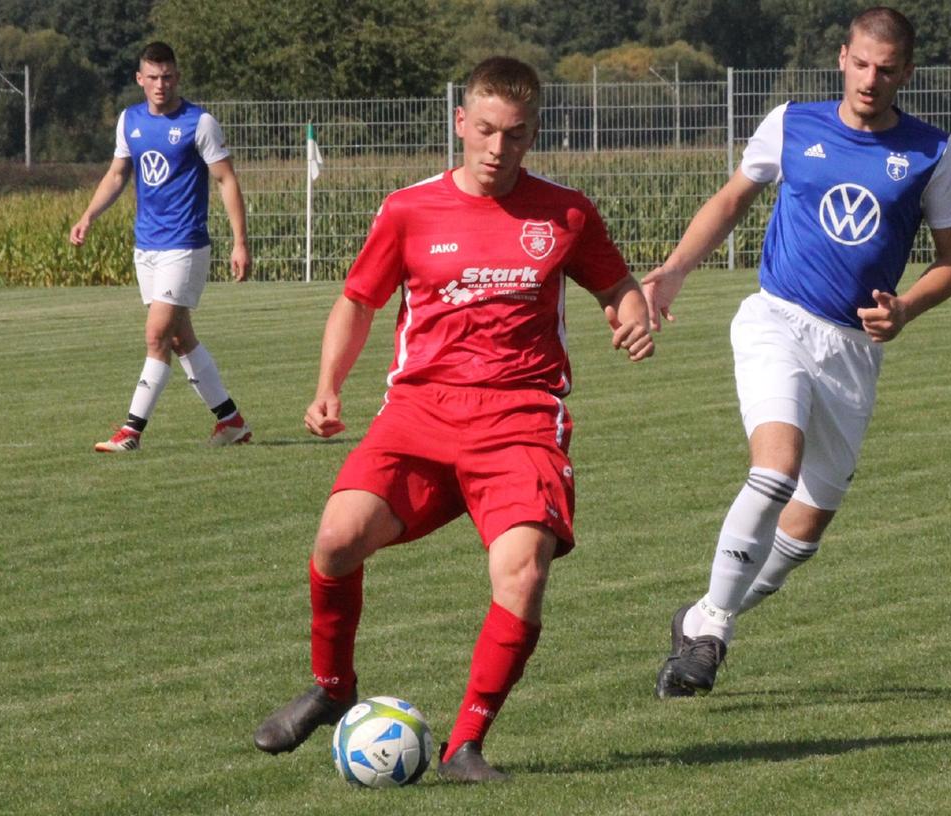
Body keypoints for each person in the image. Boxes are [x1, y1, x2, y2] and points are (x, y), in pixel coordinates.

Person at [251, 56, 654, 782]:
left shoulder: (564, 211)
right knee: (337, 539)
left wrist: (632, 318)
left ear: (533, 133)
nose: (500, 148)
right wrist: (326, 389)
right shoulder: (409, 209)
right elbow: (357, 301)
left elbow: (617, 284)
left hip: (521, 418)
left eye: (518, 134)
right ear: (461, 123)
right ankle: (331, 688)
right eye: (488, 131)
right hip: (420, 411)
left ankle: (465, 743)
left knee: (522, 573)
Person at [645, 6, 951, 698]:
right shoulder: (792, 122)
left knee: (802, 535)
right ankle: (710, 640)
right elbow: (734, 198)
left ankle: (705, 614)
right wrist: (674, 269)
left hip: (852, 352)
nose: (870, 79)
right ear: (842, 59)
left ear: (905, 72)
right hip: (777, 319)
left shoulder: (931, 152)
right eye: (860, 64)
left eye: (886, 70)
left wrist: (906, 307)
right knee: (774, 470)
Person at [70, 41, 253, 453]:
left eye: (167, 77)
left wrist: (240, 243)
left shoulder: (199, 123)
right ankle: (231, 421)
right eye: (152, 77)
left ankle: (130, 432)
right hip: (146, 246)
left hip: (184, 246)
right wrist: (88, 216)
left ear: (177, 77)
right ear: (140, 79)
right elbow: (118, 174)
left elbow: (226, 180)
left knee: (155, 335)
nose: (160, 85)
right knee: (177, 339)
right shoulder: (129, 120)